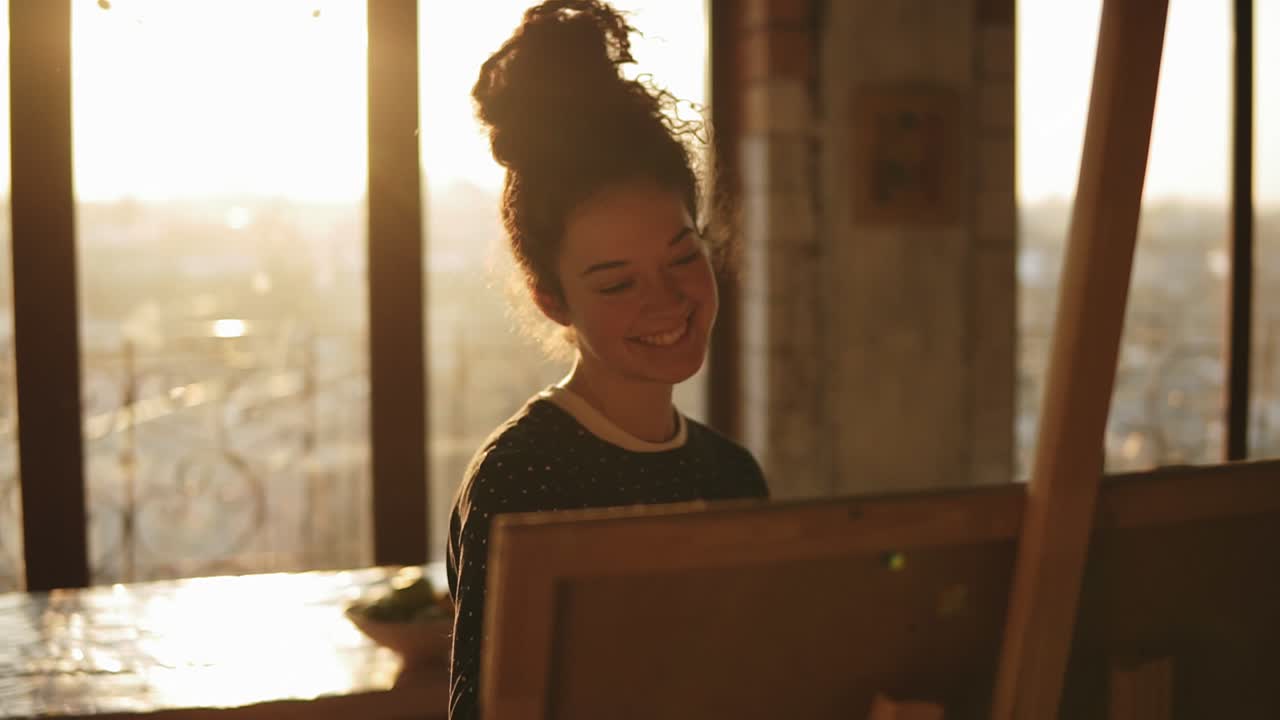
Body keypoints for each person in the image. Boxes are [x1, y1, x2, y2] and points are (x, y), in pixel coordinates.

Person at [446, 1, 769, 718]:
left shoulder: (733, 475)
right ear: (552, 299)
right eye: (618, 283)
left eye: (682, 257)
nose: (667, 300)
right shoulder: (522, 478)